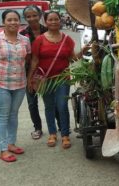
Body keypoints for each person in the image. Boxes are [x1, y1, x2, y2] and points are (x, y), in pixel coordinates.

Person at [27, 11, 85, 149]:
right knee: (49, 107)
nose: (53, 22)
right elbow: (34, 60)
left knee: (62, 106)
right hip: (45, 79)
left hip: (62, 79)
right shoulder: (39, 40)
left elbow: (72, 59)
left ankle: (65, 135)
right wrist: (30, 78)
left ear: (60, 21)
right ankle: (52, 133)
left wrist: (83, 51)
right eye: (50, 20)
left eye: (56, 19)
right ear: (45, 22)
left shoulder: (67, 40)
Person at [0, 9, 31, 162]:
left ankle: (11, 143)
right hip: (0, 84)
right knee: (2, 116)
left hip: (20, 84)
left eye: (15, 19)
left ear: (20, 22)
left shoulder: (25, 40)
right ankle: (3, 149)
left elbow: (27, 61)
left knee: (13, 114)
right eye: (9, 20)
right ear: (3, 22)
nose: (13, 22)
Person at [20, 5, 60, 140]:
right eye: (28, 16)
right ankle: (37, 128)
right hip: (29, 73)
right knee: (32, 103)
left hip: (48, 72)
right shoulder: (23, 35)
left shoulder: (48, 30)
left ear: (40, 16)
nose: (32, 19)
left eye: (34, 15)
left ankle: (60, 126)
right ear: (25, 18)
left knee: (52, 101)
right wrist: (29, 78)